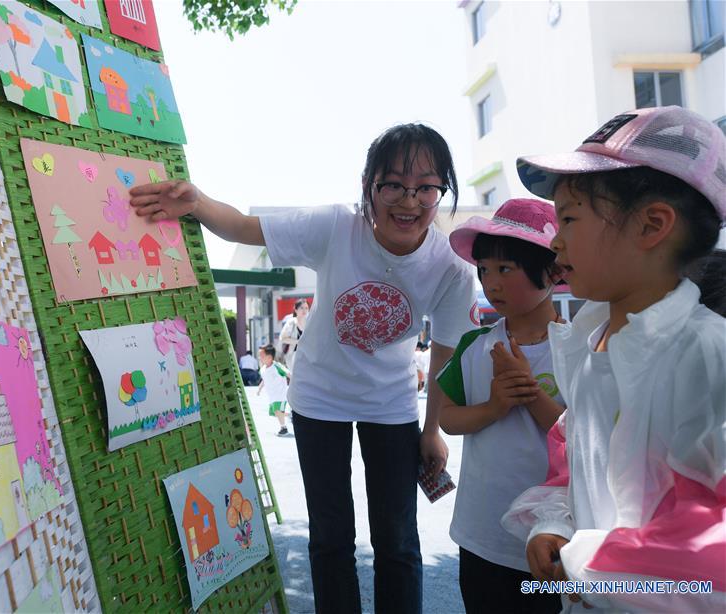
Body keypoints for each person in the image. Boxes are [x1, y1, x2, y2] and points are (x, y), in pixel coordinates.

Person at [130, 123, 478, 614]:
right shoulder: (336, 226)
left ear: (442, 191)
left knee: (398, 540)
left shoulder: (452, 269)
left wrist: (432, 430)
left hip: (392, 405)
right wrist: (197, 202)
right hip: (320, 399)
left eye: (426, 186)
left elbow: (444, 351)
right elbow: (247, 228)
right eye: (393, 184)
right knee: (331, 535)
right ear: (369, 187)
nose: (409, 199)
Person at [500, 106, 726, 612]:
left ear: (651, 225)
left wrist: (585, 560)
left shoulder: (706, 356)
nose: (555, 240)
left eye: (571, 217)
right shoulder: (587, 345)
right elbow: (574, 470)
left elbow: (711, 555)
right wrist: (555, 524)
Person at [437, 198, 566, 614]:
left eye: (506, 269)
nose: (491, 283)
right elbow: (448, 418)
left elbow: (583, 437)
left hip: (551, 539)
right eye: (485, 270)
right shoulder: (475, 345)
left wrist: (526, 391)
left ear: (553, 269)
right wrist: (494, 407)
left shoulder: (581, 348)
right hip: (479, 536)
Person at [257, 344, 290, 435]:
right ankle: (290, 415)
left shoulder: (277, 366)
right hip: (272, 395)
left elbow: (288, 373)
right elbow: (264, 379)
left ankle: (284, 428)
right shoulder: (263, 369)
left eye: (262, 356)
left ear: (270, 357)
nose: (260, 358)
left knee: (277, 410)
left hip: (280, 394)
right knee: (273, 413)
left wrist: (296, 383)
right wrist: (259, 389)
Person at [279, 298, 309, 370]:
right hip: (293, 356)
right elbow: (282, 338)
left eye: (306, 308)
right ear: (296, 310)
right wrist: (298, 342)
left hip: (307, 356)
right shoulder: (291, 322)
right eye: (302, 308)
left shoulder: (309, 323)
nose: (304, 310)